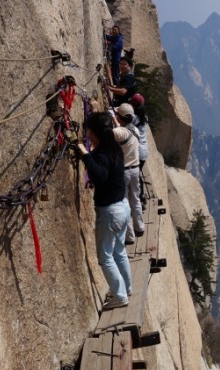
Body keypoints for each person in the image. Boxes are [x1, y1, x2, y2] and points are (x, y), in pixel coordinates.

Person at [75, 111, 132, 309]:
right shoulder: (114, 148)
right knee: (119, 251)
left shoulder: (101, 154)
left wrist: (85, 155)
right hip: (123, 207)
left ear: (92, 132)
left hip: (110, 212)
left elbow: (99, 175)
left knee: (105, 257)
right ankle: (128, 288)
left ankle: (120, 296)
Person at [112, 103, 145, 243]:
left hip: (124, 171)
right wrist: (116, 120)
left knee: (124, 203)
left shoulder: (120, 132)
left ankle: (129, 236)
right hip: (135, 169)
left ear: (122, 117)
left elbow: (110, 133)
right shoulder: (135, 130)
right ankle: (140, 227)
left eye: (117, 114)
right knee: (135, 199)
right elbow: (122, 130)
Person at [130, 94, 149, 200]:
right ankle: (141, 195)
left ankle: (140, 196)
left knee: (135, 174)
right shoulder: (144, 117)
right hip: (144, 151)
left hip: (138, 151)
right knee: (137, 173)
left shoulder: (133, 118)